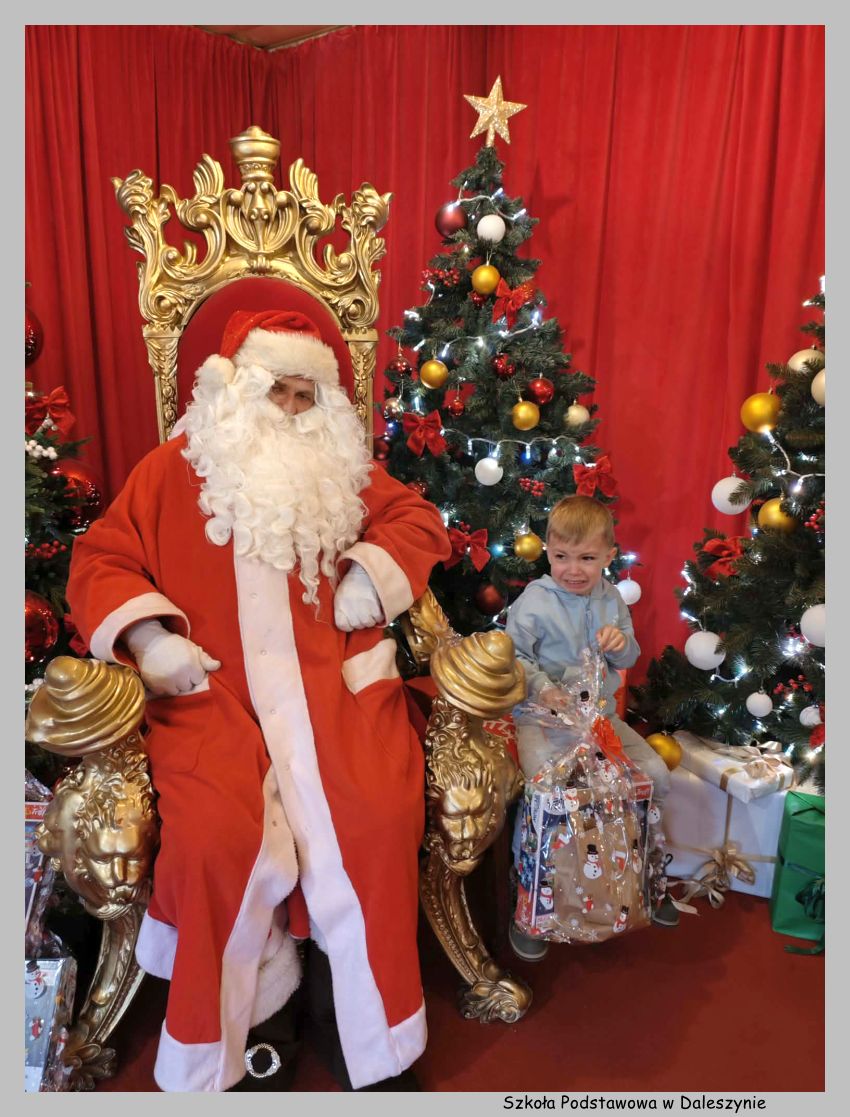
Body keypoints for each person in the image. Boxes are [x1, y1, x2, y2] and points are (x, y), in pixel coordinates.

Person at [66, 309, 452, 1092]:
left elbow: (415, 519)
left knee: (374, 817)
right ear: (236, 387)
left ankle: (364, 1026)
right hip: (216, 701)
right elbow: (101, 559)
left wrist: (368, 572)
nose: (291, 409)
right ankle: (242, 1031)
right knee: (216, 838)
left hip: (335, 698)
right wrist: (150, 639)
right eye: (277, 390)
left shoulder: (342, 473)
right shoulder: (172, 470)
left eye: (306, 396)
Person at [504, 495, 679, 961]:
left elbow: (629, 655)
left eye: (586, 558)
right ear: (547, 551)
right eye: (562, 556)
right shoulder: (535, 601)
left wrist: (620, 645)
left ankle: (648, 881)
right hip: (542, 719)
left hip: (599, 719)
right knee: (547, 789)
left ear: (608, 556)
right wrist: (542, 688)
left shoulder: (611, 600)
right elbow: (513, 658)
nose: (573, 570)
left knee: (654, 776)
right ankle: (531, 900)